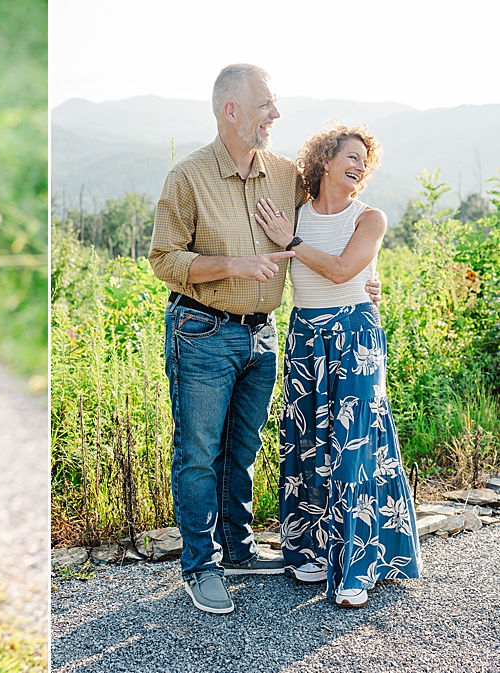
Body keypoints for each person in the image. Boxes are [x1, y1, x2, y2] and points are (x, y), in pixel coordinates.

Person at [147, 64, 380, 615]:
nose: (276, 116)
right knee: (200, 453)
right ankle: (201, 566)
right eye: (265, 106)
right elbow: (162, 258)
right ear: (232, 111)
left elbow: (334, 215)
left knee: (244, 449)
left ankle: (238, 546)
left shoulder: (284, 174)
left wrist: (369, 275)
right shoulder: (188, 178)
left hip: (265, 335)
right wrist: (234, 264)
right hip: (201, 329)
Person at [254, 125, 421, 608]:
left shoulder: (370, 218)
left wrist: (292, 242)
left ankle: (358, 567)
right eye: (350, 156)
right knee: (306, 441)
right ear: (325, 160)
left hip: (355, 334)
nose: (359, 166)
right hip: (306, 332)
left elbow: (346, 270)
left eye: (365, 161)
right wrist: (287, 238)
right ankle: (309, 550)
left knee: (354, 441)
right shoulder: (296, 214)